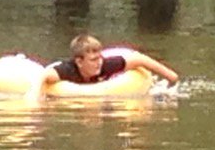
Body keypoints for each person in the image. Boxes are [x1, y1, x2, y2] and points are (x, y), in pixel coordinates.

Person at [24, 33, 179, 103]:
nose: (98, 63)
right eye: (93, 60)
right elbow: (43, 76)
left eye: (99, 58)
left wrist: (170, 75)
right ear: (79, 61)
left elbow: (139, 59)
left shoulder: (106, 65)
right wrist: (35, 95)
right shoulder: (67, 70)